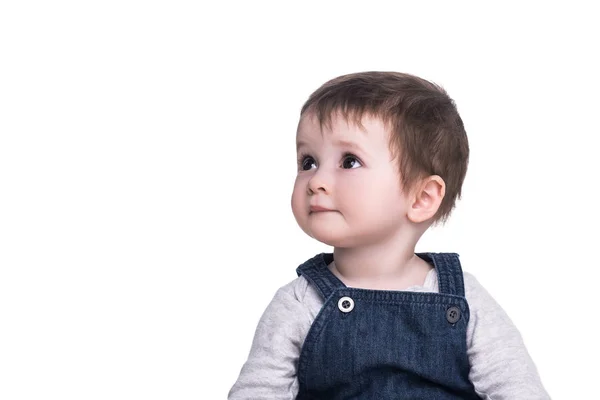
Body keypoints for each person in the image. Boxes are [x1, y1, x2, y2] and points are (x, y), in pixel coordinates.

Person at [228, 71, 550, 399]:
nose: (316, 180)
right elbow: (258, 391)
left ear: (422, 198)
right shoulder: (299, 302)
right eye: (308, 162)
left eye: (349, 161)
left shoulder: (463, 297)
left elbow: (517, 386)